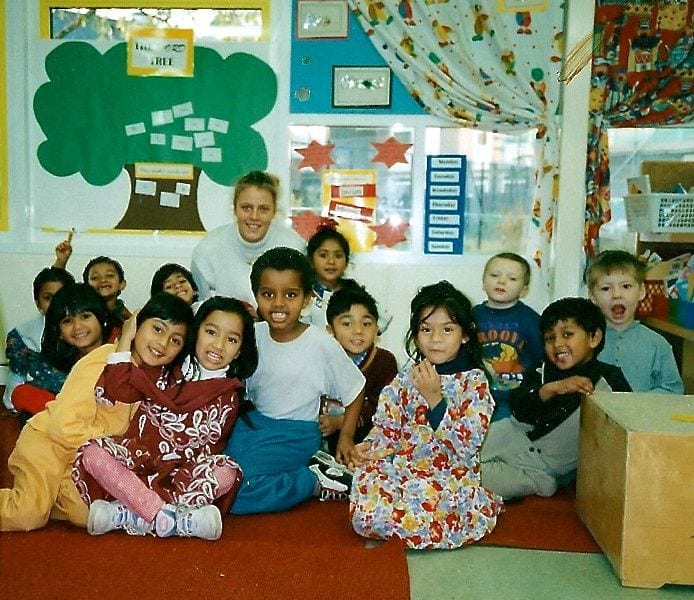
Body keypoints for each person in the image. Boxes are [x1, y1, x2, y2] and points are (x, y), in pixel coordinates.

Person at [72, 296, 257, 540]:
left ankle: (131, 514)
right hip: (138, 462)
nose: (219, 345)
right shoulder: (167, 366)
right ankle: (168, 518)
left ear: (239, 351)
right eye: (211, 332)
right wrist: (127, 337)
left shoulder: (229, 393)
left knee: (226, 472)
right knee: (93, 452)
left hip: (185, 474)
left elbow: (198, 439)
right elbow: (119, 388)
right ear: (195, 332)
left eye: (231, 339)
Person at [0, 296, 179, 531]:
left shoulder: (153, 381)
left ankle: (49, 496)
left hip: (81, 457)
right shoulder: (103, 360)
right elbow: (63, 426)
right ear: (135, 327)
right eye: (157, 329)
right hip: (48, 445)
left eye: (175, 340)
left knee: (87, 516)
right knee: (26, 515)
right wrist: (108, 448)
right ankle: (38, 499)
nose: (162, 343)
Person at [350, 280, 502, 550]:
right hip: (405, 468)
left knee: (422, 505)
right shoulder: (408, 376)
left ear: (465, 334)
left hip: (449, 474)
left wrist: (435, 399)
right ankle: (400, 518)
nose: (435, 339)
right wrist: (368, 449)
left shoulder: (475, 381)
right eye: (426, 329)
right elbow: (386, 427)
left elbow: (466, 448)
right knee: (366, 500)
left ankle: (458, 511)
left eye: (447, 329)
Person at [223, 247, 366, 514]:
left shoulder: (320, 343)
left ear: (307, 298)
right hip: (251, 426)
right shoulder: (252, 334)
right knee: (213, 478)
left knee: (237, 493)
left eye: (290, 295)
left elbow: (355, 390)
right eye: (268, 294)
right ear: (255, 297)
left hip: (296, 434)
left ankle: (312, 479)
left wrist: (346, 437)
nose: (278, 304)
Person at [481, 297, 631, 501]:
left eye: (567, 334)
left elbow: (626, 431)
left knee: (467, 480)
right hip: (508, 437)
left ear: (594, 337)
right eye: (550, 338)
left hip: (538, 470)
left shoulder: (610, 380)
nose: (558, 344)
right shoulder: (541, 370)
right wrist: (551, 389)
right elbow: (518, 404)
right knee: (452, 456)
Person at [190, 171, 305, 307]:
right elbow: (199, 310)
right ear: (235, 208)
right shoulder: (207, 250)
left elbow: (303, 305)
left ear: (274, 211)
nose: (254, 216)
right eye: (246, 208)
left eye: (263, 209)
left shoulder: (295, 247)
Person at [585, 249, 683, 393]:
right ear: (593, 296)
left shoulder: (658, 344)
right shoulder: (584, 341)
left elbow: (673, 390)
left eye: (626, 286)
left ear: (641, 291)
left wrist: (637, 403)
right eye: (606, 288)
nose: (617, 295)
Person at [11, 283, 114, 417]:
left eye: (85, 316)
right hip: (72, 420)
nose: (77, 327)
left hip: (108, 418)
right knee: (22, 394)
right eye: (67, 321)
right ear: (59, 332)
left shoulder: (118, 350)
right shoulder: (65, 360)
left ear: (102, 318)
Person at [322, 282, 398, 456]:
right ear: (330, 330)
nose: (357, 331)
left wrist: (342, 421)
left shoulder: (384, 362)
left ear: (377, 328)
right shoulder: (322, 360)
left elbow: (383, 408)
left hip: (368, 438)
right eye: (347, 324)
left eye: (366, 323)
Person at [472, 252, 544, 421]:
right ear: (483, 281)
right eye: (495, 275)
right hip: (475, 397)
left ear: (524, 289)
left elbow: (540, 358)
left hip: (516, 400)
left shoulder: (531, 320)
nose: (501, 281)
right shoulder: (471, 317)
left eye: (512, 278)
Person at [3, 265, 75, 411]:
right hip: (39, 400)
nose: (55, 304)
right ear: (37, 302)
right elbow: (17, 376)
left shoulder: (82, 330)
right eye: (48, 298)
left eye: (61, 297)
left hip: (74, 397)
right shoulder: (22, 334)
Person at [82, 255, 132, 326]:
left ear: (122, 284)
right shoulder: (81, 314)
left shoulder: (128, 320)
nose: (103, 280)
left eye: (110, 275)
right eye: (95, 277)